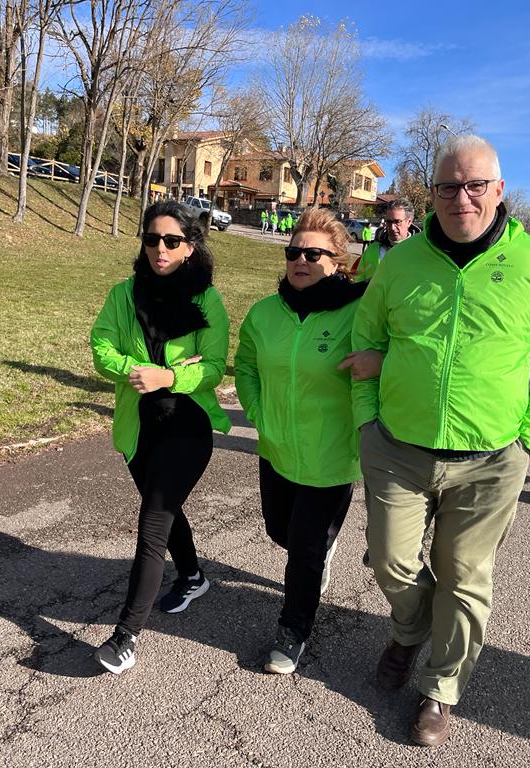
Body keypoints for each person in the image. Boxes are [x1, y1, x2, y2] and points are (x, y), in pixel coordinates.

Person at [351, 135, 530, 747]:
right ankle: (409, 630)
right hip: (398, 447)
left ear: (499, 190)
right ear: (432, 192)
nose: (463, 197)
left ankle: (441, 687)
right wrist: (366, 425)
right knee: (389, 560)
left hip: (491, 457)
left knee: (464, 572)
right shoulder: (400, 262)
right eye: (449, 186)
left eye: (476, 185)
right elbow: (365, 341)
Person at [89, 200, 231, 674]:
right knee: (164, 510)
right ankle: (192, 575)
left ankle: (125, 637)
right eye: (152, 239)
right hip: (138, 425)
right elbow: (101, 347)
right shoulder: (124, 294)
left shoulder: (206, 301)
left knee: (152, 522)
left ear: (190, 247)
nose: (160, 249)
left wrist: (168, 379)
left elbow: (212, 369)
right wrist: (138, 371)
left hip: (187, 423)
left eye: (172, 241)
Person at [235, 207, 368, 675]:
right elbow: (246, 365)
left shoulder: (357, 312)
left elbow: (378, 369)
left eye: (315, 253)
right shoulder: (265, 313)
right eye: (294, 252)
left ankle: (293, 632)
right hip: (276, 448)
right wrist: (257, 410)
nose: (301, 260)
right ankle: (322, 549)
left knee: (305, 550)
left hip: (331, 456)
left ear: (338, 261)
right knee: (280, 533)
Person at [352, 199, 414, 282]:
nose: (392, 227)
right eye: (389, 222)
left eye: (397, 222)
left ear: (409, 222)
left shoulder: (419, 251)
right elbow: (358, 279)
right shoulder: (372, 249)